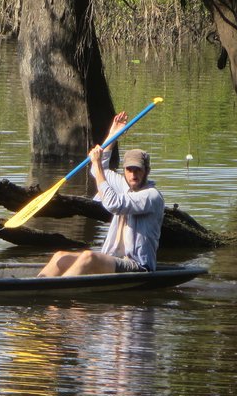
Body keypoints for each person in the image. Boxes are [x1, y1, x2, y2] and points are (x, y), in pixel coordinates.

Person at [38, 112, 165, 277]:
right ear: (124, 171)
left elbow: (114, 204)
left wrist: (97, 165)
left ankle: (54, 292)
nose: (133, 175)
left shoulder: (151, 196)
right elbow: (99, 169)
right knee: (59, 257)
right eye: (129, 170)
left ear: (147, 171)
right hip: (112, 258)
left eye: (138, 170)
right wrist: (112, 135)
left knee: (88, 257)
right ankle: (33, 288)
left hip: (138, 265)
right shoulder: (123, 185)